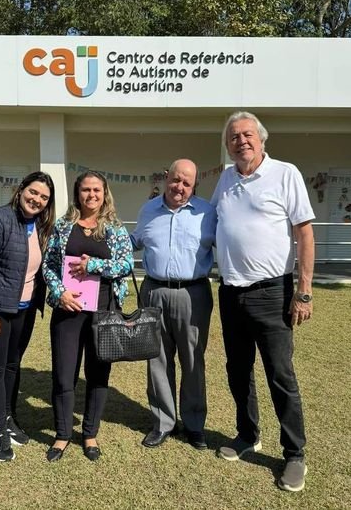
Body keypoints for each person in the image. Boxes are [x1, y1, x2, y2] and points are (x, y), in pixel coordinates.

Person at [211, 111, 315, 492]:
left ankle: (293, 454)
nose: (242, 141)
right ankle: (247, 433)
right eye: (234, 136)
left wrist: (303, 291)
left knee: (280, 375)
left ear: (262, 139)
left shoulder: (285, 173)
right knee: (238, 370)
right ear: (228, 145)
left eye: (248, 135)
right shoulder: (225, 178)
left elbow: (304, 233)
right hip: (230, 292)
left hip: (272, 292)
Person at [42, 170, 134, 462]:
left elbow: (126, 263)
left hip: (104, 313)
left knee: (97, 374)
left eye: (96, 190)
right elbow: (49, 264)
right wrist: (59, 293)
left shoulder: (116, 229)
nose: (91, 195)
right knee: (63, 374)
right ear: (77, 193)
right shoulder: (63, 226)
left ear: (105, 193)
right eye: (85, 190)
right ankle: (62, 434)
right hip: (68, 311)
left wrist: (94, 264)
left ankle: (90, 433)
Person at [0, 171, 55, 462]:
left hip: (24, 309)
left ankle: (8, 417)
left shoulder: (40, 226)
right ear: (20, 191)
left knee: (12, 366)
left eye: (44, 197)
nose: (37, 200)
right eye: (33, 192)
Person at [131, 159, 217, 450]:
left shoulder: (208, 213)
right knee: (156, 360)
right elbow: (134, 242)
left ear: (194, 186)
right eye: (176, 180)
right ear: (166, 176)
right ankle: (163, 422)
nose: (179, 187)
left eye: (187, 183)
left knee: (193, 361)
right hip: (153, 291)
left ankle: (194, 425)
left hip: (193, 294)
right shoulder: (148, 210)